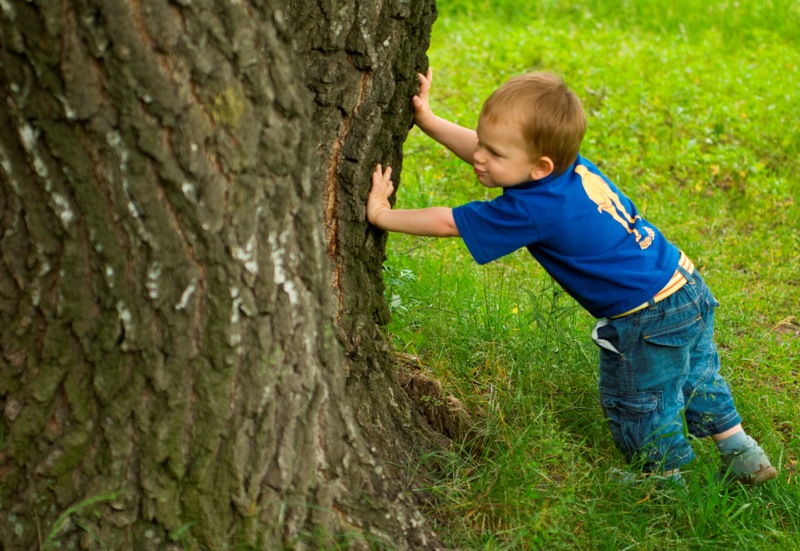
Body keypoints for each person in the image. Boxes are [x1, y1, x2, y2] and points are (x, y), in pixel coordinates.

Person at [366, 67, 778, 485]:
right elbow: (489, 153)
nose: (480, 157)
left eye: (495, 153)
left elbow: (450, 223)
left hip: (645, 316)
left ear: (539, 166)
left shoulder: (532, 209)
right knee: (697, 376)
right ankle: (741, 452)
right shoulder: (570, 168)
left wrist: (383, 214)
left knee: (640, 399)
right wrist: (430, 121)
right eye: (483, 143)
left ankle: (664, 479)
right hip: (683, 282)